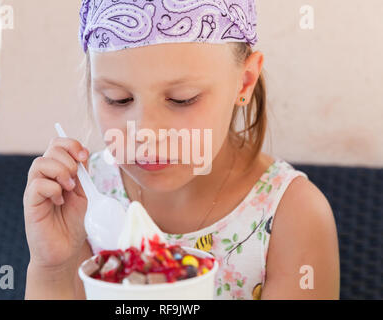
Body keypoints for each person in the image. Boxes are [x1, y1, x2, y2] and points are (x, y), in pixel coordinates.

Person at [23, 0, 340, 300]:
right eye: (117, 98)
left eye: (182, 99)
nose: (145, 134)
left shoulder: (293, 216)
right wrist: (53, 269)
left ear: (244, 82)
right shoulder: (83, 198)